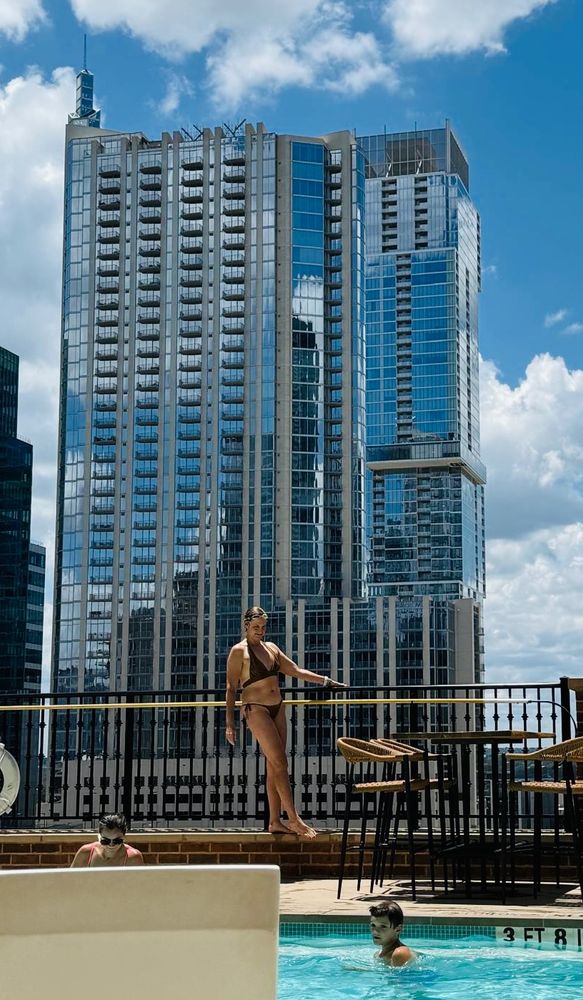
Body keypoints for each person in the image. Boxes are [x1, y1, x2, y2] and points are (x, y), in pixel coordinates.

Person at [225, 606, 347, 840]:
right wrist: (230, 723)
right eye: (256, 626)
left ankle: (274, 821)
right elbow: (231, 688)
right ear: (247, 625)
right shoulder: (238, 652)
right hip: (256, 709)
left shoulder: (271, 648)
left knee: (274, 766)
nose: (260, 631)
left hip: (278, 708)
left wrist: (326, 681)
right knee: (280, 762)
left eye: (263, 626)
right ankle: (293, 818)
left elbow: (295, 670)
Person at [70, 813, 145, 868]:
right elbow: (70, 881)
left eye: (117, 841)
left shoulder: (133, 857)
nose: (111, 845)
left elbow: (141, 886)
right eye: (105, 841)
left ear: (124, 837)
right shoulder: (86, 853)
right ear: (99, 836)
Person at [369, 901, 416, 967]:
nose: (375, 931)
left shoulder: (399, 953)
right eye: (373, 925)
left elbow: (397, 977)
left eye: (383, 926)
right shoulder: (378, 954)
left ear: (398, 929)